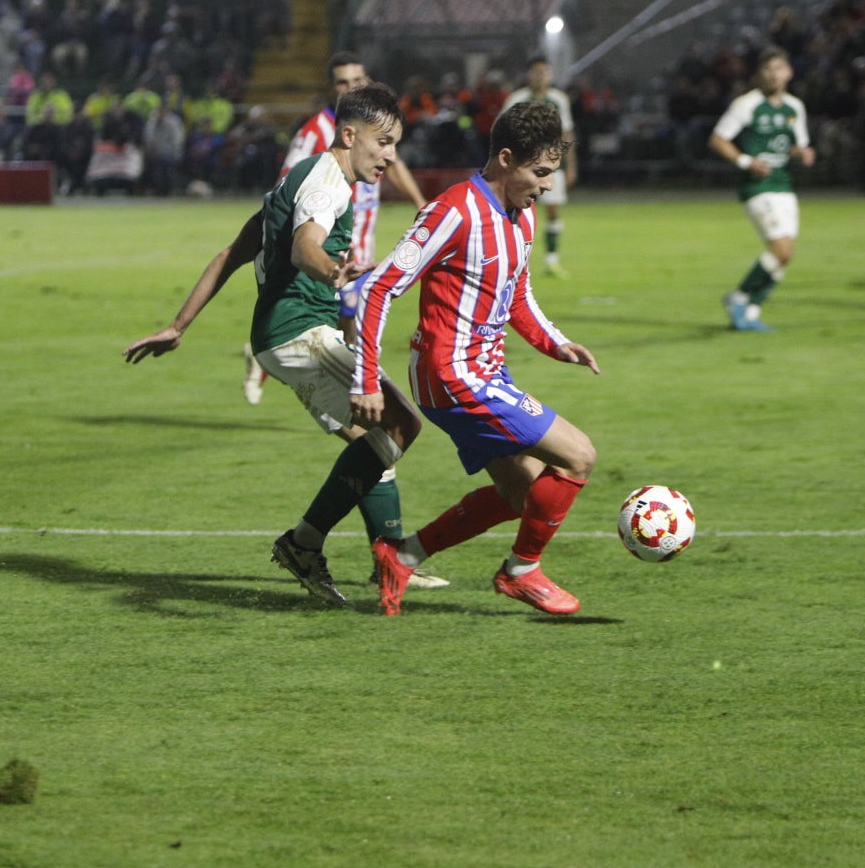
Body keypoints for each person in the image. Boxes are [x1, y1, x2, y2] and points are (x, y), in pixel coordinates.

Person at [125, 85, 422, 606]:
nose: (391, 156)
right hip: (300, 330)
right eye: (383, 142)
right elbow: (308, 244)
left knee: (372, 441)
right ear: (350, 135)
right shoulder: (328, 186)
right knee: (399, 424)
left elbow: (231, 252)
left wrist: (179, 325)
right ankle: (311, 543)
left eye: (395, 144)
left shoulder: (298, 179)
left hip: (280, 335)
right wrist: (334, 270)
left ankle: (380, 558)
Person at [356, 101, 602, 617]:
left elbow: (518, 296)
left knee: (525, 495)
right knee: (579, 456)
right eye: (540, 173)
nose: (547, 185)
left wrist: (557, 343)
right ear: (506, 159)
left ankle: (402, 556)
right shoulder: (452, 211)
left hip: (481, 372)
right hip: (453, 374)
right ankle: (521, 571)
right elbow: (376, 289)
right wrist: (366, 380)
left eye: (552, 174)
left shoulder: (523, 215)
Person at [247, 51, 428, 405]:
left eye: (357, 81)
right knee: (349, 327)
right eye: (342, 82)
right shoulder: (316, 131)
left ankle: (349, 394)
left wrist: (421, 206)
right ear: (332, 88)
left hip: (359, 243)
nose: (350, 87)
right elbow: (289, 185)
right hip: (327, 249)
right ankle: (358, 399)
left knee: (348, 329)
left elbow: (395, 165)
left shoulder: (373, 126)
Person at [707, 48, 817, 331]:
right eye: (768, 70)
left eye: (779, 69)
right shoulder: (747, 105)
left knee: (785, 254)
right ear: (760, 75)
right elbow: (718, 139)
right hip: (757, 186)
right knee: (780, 250)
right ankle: (738, 297)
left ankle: (752, 312)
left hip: (783, 184)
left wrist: (802, 154)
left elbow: (794, 145)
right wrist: (746, 161)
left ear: (789, 72)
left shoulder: (795, 107)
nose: (774, 75)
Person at [499, 57, 576, 277]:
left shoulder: (558, 100)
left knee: (552, 211)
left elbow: (567, 133)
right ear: (528, 75)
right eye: (536, 72)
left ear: (550, 75)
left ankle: (552, 260)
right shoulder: (517, 99)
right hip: (523, 166)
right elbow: (503, 131)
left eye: (544, 72)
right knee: (515, 211)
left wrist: (570, 166)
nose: (541, 76)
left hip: (551, 166)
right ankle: (513, 260)